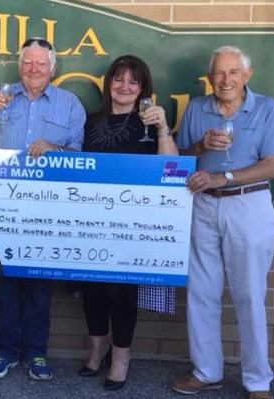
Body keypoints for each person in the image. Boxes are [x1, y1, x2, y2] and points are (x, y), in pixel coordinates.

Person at [171, 46, 274, 399]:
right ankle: (207, 372)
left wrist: (226, 176)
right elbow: (179, 157)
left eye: (233, 72)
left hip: (247, 204)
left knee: (249, 294)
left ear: (246, 75)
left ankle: (257, 381)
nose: (226, 80)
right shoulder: (196, 109)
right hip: (202, 205)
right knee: (202, 293)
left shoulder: (266, 108)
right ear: (210, 77)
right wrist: (199, 144)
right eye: (219, 73)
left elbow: (272, 165)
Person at [0, 37, 86, 380]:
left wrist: (54, 147)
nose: (33, 69)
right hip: (3, 206)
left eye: (40, 63)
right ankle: (4, 351)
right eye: (27, 62)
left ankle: (36, 352)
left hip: (48, 209)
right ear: (19, 66)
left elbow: (80, 157)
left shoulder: (70, 104)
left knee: (39, 285)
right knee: (4, 285)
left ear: (53, 68)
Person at [79, 55, 178, 391]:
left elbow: (171, 169)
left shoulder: (151, 122)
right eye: (118, 79)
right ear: (109, 84)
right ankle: (97, 349)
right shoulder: (89, 122)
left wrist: (163, 127)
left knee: (122, 291)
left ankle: (121, 357)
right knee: (91, 287)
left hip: (132, 224)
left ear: (143, 88)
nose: (124, 86)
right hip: (90, 222)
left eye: (133, 81)